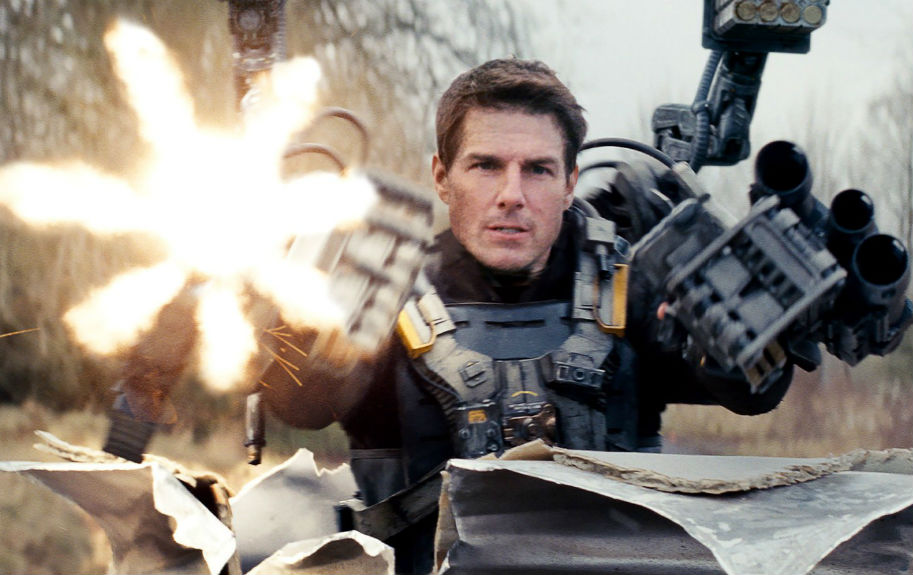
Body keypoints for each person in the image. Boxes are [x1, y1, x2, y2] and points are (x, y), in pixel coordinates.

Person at [257, 58, 794, 574]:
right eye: (486, 166)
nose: (511, 195)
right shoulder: (382, 294)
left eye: (538, 169)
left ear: (569, 183)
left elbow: (754, 391)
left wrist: (750, 315)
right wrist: (287, 319)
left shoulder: (631, 289)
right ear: (442, 177)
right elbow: (300, 404)